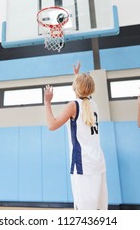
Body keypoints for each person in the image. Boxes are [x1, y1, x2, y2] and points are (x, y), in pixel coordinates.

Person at [43, 64, 108, 210]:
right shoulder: (94, 104)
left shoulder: (73, 106)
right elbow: (83, 96)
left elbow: (52, 125)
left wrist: (47, 103)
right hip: (98, 163)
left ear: (75, 87)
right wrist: (77, 76)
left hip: (83, 166)